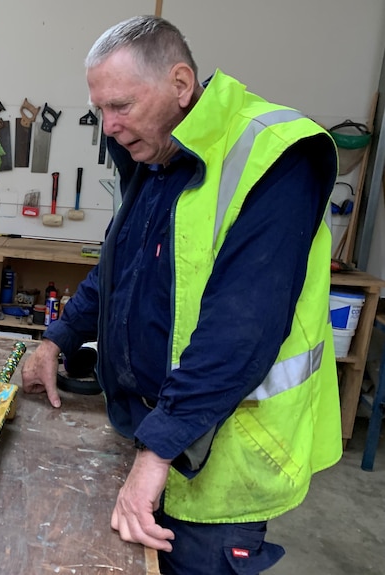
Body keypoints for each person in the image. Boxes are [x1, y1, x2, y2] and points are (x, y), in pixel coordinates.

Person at [21, 15, 342, 575]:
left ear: (180, 83)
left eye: (121, 105)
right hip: (152, 435)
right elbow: (121, 271)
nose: (109, 126)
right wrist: (59, 337)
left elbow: (241, 329)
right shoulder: (157, 155)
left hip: (228, 455)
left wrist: (158, 450)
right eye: (100, 109)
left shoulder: (275, 156)